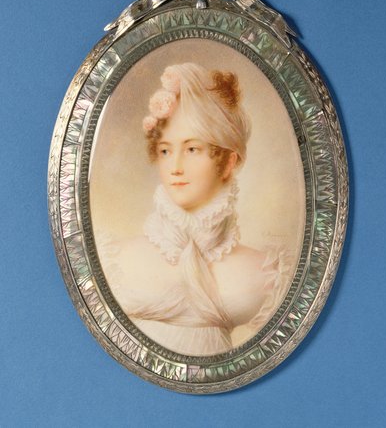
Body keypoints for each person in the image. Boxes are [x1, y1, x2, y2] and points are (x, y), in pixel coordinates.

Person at [99, 63, 291, 356]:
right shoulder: (115, 259)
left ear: (227, 162)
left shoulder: (267, 273)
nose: (175, 167)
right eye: (166, 150)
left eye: (192, 150)